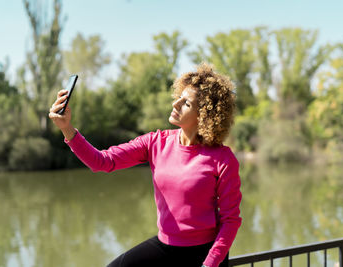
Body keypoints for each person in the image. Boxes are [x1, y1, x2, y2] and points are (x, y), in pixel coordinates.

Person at [49, 63, 242, 267]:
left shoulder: (223, 159)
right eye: (179, 97)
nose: (176, 104)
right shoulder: (155, 142)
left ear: (205, 116)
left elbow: (231, 220)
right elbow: (102, 162)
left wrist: (209, 264)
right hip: (166, 245)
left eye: (186, 103)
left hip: (205, 253)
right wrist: (67, 128)